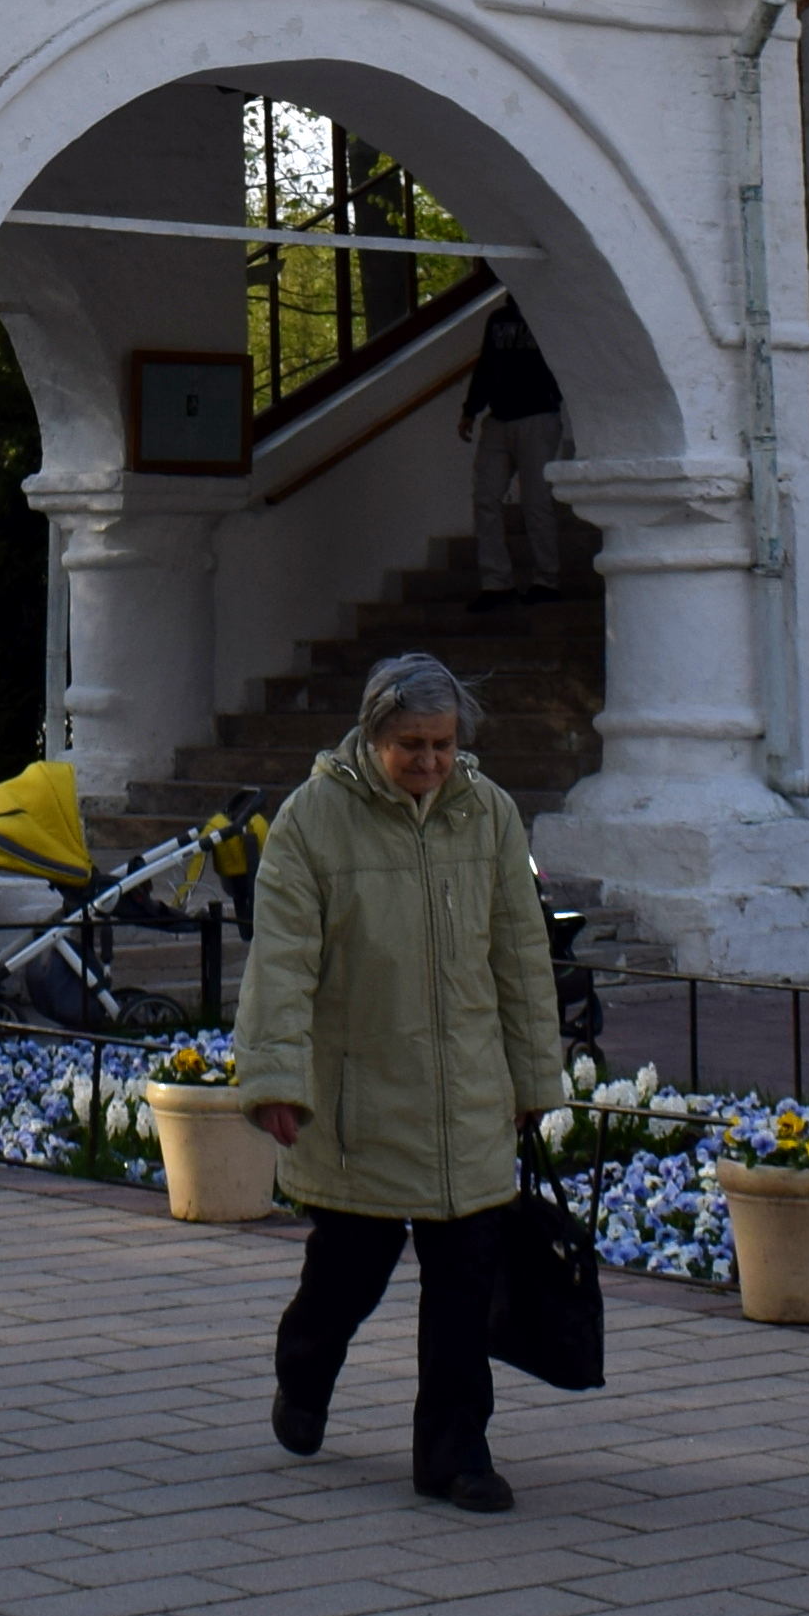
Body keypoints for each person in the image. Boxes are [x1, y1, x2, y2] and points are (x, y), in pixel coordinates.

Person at [229, 650, 560, 1518]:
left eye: (443, 745)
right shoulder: (312, 822)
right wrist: (274, 1079)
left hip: (468, 1101)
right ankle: (304, 1371)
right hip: (360, 1099)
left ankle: (456, 1456)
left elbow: (520, 957)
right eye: (411, 744)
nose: (429, 762)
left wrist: (533, 1076)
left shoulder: (487, 815)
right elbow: (284, 964)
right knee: (346, 1277)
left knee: (463, 1286)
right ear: (373, 736)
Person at [460, 300, 571, 607]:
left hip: (538, 416)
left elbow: (568, 360)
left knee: (536, 500)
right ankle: (496, 583)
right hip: (500, 418)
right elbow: (487, 364)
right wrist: (472, 409)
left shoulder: (549, 314)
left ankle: (547, 580)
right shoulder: (498, 319)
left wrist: (554, 397)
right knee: (486, 497)